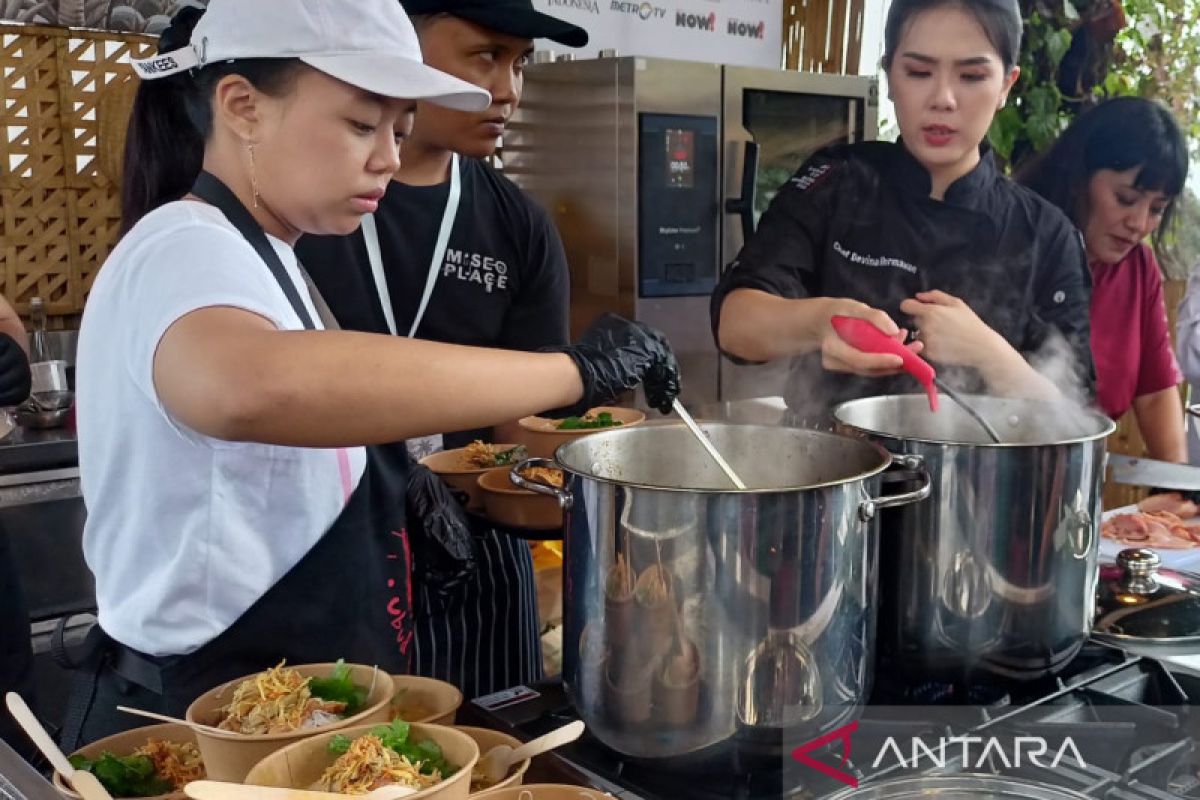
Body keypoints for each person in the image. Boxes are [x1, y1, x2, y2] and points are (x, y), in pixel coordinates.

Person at [67, 0, 678, 748]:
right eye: (362, 125)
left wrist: (390, 480)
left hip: (294, 712)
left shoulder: (275, 259)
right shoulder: (185, 245)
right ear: (242, 107)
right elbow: (248, 387)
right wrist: (570, 372)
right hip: (208, 726)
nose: (388, 157)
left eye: (399, 129)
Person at [297, 0, 586, 699]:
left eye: (521, 63)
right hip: (332, 553)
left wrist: (592, 455)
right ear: (399, 42)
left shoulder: (518, 224)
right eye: (484, 56)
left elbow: (523, 431)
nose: (509, 89)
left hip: (477, 556)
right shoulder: (306, 205)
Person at [711, 0, 1094, 424]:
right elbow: (735, 323)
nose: (943, 99)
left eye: (971, 76)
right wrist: (822, 322)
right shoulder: (835, 181)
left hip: (977, 480)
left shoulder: (1046, 233)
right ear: (889, 75)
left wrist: (989, 353)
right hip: (829, 472)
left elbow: (1070, 416)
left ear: (1006, 84)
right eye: (918, 72)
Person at [1021, 97, 1189, 462]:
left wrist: (1177, 489)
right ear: (1079, 177)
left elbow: (1156, 392)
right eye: (1125, 199)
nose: (1139, 224)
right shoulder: (1012, 244)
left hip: (1081, 488)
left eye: (1156, 209)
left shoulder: (1139, 269)